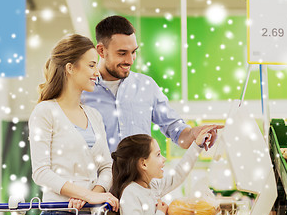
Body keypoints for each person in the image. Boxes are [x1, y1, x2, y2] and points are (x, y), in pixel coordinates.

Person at [82, 15, 224, 152]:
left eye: (133, 52)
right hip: (97, 176)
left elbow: (176, 131)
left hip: (138, 177)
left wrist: (194, 133)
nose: (130, 60)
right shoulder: (82, 92)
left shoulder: (146, 86)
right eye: (122, 53)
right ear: (101, 50)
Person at [28, 34, 118, 215]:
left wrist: (89, 195)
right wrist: (86, 195)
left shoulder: (94, 115)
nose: (97, 72)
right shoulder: (44, 111)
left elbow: (107, 167)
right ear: (70, 68)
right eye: (91, 65)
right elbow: (41, 172)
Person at [110, 125, 220, 215]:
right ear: (143, 164)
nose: (164, 159)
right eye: (158, 155)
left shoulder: (152, 185)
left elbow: (179, 174)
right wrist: (161, 214)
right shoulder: (130, 193)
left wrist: (197, 145)